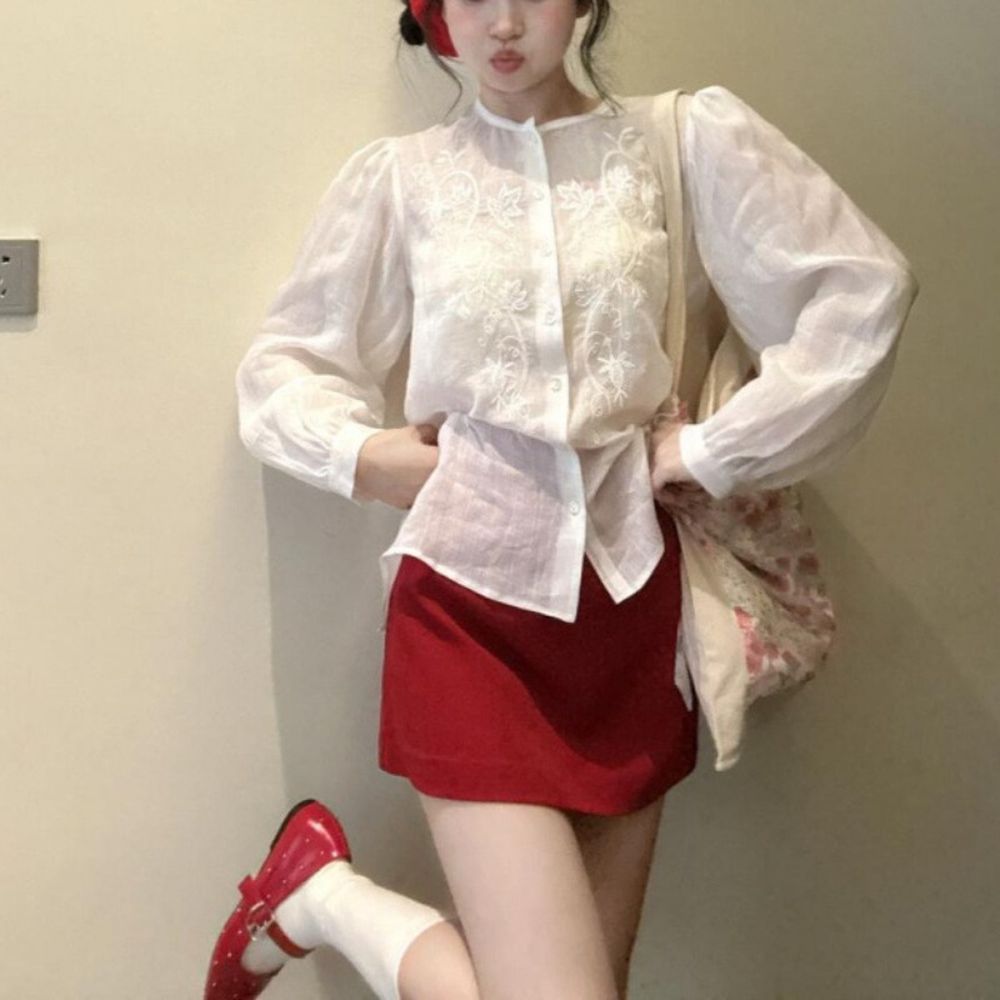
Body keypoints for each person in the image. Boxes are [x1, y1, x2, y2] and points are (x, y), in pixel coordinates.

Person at [204, 1, 919, 998]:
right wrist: (366, 456)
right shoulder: (403, 179)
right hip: (466, 611)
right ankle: (321, 899)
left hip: (631, 611)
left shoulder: (678, 143)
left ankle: (313, 891)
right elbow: (285, 363)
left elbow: (862, 292)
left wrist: (713, 449)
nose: (502, 23)